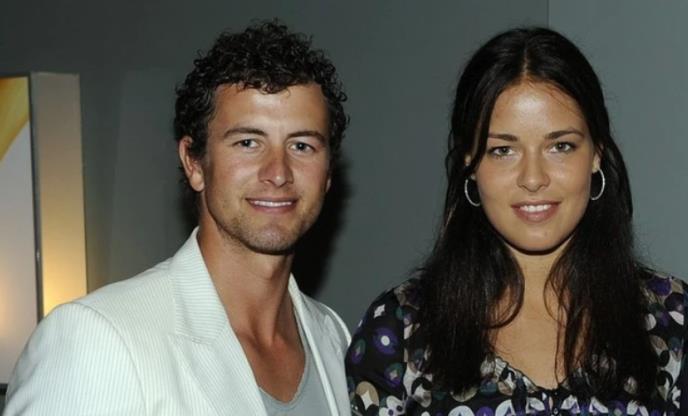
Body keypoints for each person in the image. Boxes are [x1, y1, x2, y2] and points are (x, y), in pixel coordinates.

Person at [5, 21, 351, 415]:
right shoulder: (98, 338)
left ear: (327, 174)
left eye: (302, 145)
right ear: (194, 163)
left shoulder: (333, 338)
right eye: (248, 142)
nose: (278, 172)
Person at [346, 27, 687, 415]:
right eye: (503, 150)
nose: (533, 178)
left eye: (561, 146)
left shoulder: (672, 318)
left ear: (596, 154)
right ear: (470, 163)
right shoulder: (400, 329)